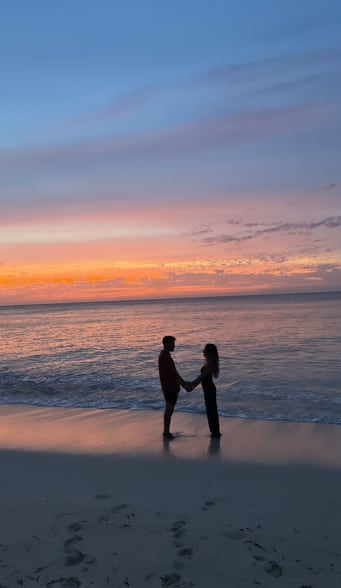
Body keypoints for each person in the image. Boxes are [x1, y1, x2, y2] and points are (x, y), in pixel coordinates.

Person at [158, 335, 189, 439]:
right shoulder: (165, 357)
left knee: (169, 409)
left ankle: (166, 431)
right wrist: (184, 384)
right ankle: (166, 432)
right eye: (172, 343)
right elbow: (174, 374)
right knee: (169, 410)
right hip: (169, 387)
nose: (174, 346)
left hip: (168, 386)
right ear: (166, 344)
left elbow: (173, 373)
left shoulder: (165, 355)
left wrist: (184, 383)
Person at [190, 343, 221, 438]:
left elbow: (200, 378)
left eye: (204, 350)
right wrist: (190, 384)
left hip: (209, 389)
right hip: (208, 388)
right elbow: (201, 378)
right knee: (211, 410)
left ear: (208, 352)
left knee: (211, 410)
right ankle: (215, 432)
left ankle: (215, 433)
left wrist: (190, 386)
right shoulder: (209, 363)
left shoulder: (209, 364)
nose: (203, 351)